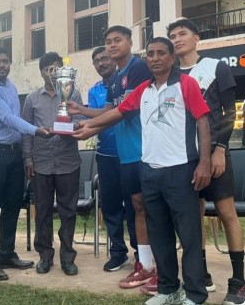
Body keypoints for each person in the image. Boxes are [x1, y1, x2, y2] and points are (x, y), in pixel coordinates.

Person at [74, 37, 211, 305]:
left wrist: (204, 162)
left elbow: (203, 121)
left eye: (162, 53)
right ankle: (168, 289)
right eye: (151, 54)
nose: (156, 58)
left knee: (189, 235)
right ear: (146, 59)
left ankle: (195, 293)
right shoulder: (143, 91)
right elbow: (117, 114)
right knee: (158, 233)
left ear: (172, 58)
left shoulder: (186, 84)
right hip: (149, 170)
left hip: (181, 170)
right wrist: (88, 129)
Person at [68, 26, 155, 290]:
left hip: (145, 150)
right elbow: (108, 111)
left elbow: (125, 110)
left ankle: (157, 266)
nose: (112, 45)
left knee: (146, 209)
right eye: (108, 42)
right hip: (126, 152)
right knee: (137, 207)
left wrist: (88, 130)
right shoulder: (115, 78)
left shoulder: (138, 67)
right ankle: (146, 266)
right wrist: (83, 119)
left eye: (118, 40)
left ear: (130, 41)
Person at [168, 18, 244, 304]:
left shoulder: (216, 67)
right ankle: (200, 276)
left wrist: (220, 150)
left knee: (227, 214)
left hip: (214, 154)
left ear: (196, 38)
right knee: (192, 217)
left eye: (182, 33)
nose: (177, 39)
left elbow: (229, 112)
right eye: (172, 35)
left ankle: (238, 283)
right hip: (184, 157)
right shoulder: (171, 75)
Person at [0, 47, 50, 281]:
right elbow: (8, 118)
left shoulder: (11, 86)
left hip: (14, 153)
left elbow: (15, 122)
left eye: (5, 61)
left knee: (12, 206)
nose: (2, 65)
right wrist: (36, 130)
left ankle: (7, 253)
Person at [21, 52, 83, 275]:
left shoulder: (72, 92)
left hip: (68, 161)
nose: (52, 73)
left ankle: (68, 257)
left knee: (69, 211)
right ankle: (45, 256)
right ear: (41, 72)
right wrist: (28, 159)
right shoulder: (31, 99)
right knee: (43, 211)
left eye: (56, 69)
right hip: (41, 163)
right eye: (48, 69)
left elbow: (80, 120)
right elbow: (26, 131)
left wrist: (70, 127)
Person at [87, 47, 137, 272]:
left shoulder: (128, 81)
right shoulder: (94, 91)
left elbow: (115, 113)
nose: (101, 63)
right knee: (110, 206)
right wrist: (82, 116)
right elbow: (102, 116)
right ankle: (118, 252)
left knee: (136, 205)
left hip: (131, 154)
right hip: (106, 154)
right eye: (96, 61)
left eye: (104, 58)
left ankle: (141, 252)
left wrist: (84, 116)